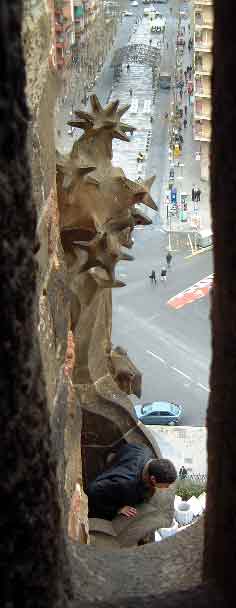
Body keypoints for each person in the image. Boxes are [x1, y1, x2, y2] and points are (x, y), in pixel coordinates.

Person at [87, 443, 177, 520]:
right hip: (101, 497)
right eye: (165, 485)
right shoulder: (126, 483)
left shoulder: (144, 449)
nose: (167, 488)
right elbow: (92, 490)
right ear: (153, 479)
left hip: (114, 467)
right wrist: (117, 509)